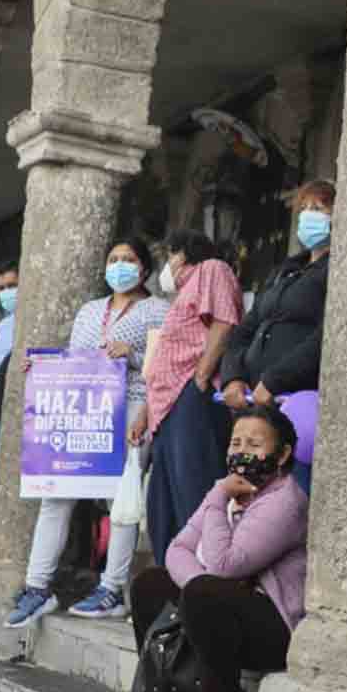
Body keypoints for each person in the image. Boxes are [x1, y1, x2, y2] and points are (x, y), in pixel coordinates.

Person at [118, 405, 308, 692]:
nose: (242, 452)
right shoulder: (229, 493)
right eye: (236, 443)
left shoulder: (284, 501)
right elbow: (177, 548)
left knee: (204, 593)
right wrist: (196, 589)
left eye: (254, 444)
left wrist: (218, 499)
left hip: (275, 628)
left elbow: (224, 565)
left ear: (282, 454)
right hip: (224, 606)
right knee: (151, 583)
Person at [7, 236, 171, 627]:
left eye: (128, 259)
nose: (119, 266)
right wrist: (44, 369)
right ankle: (37, 588)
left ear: (144, 268)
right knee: (56, 495)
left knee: (121, 501)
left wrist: (133, 370)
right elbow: (73, 358)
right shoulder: (89, 310)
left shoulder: (157, 311)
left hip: (129, 406)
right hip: (79, 409)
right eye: (113, 259)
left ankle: (112, 590)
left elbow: (163, 366)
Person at [139, 229, 243, 564]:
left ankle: (202, 578)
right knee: (162, 504)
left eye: (170, 255)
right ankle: (173, 582)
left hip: (189, 396)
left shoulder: (212, 269)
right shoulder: (181, 294)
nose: (167, 265)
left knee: (193, 494)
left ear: (183, 253)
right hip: (165, 406)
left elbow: (224, 322)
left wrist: (200, 378)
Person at [221, 182, 333, 413]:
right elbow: (244, 330)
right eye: (304, 208)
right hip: (252, 396)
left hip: (294, 396)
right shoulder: (284, 271)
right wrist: (233, 376)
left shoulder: (335, 270)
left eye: (319, 208)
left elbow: (326, 335)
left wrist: (276, 380)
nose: (308, 215)